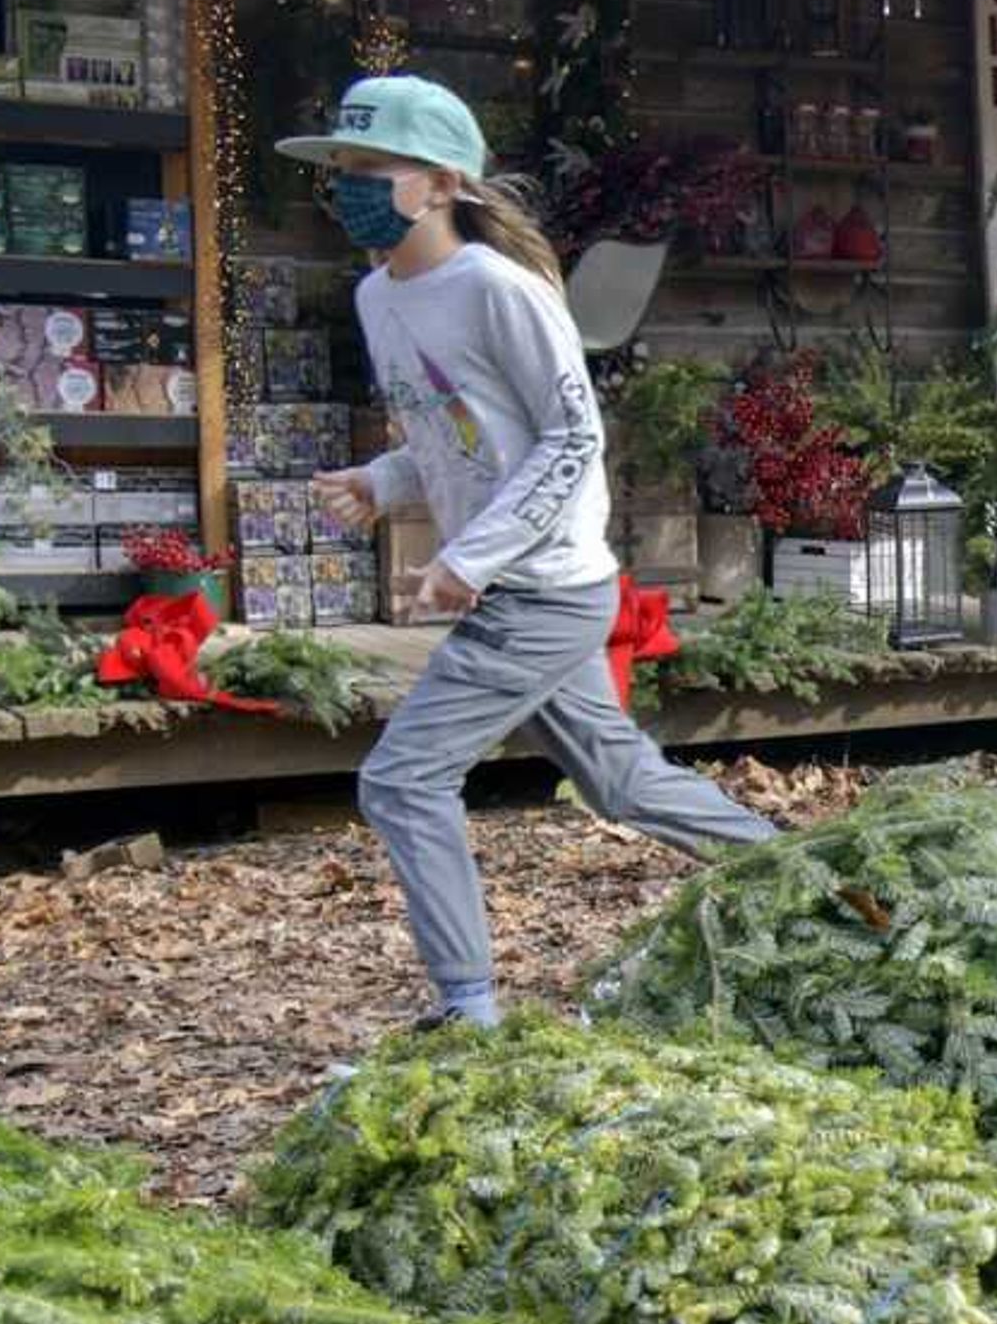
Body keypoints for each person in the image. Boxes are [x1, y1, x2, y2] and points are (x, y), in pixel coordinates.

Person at [277, 75, 774, 1030]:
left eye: (367, 170)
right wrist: (382, 484)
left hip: (542, 591)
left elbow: (572, 437)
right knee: (620, 782)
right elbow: (458, 435)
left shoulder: (500, 291)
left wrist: (475, 559)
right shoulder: (379, 297)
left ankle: (468, 1008)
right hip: (520, 587)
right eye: (337, 170)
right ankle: (794, 866)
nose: (346, 187)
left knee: (401, 778)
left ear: (438, 183)